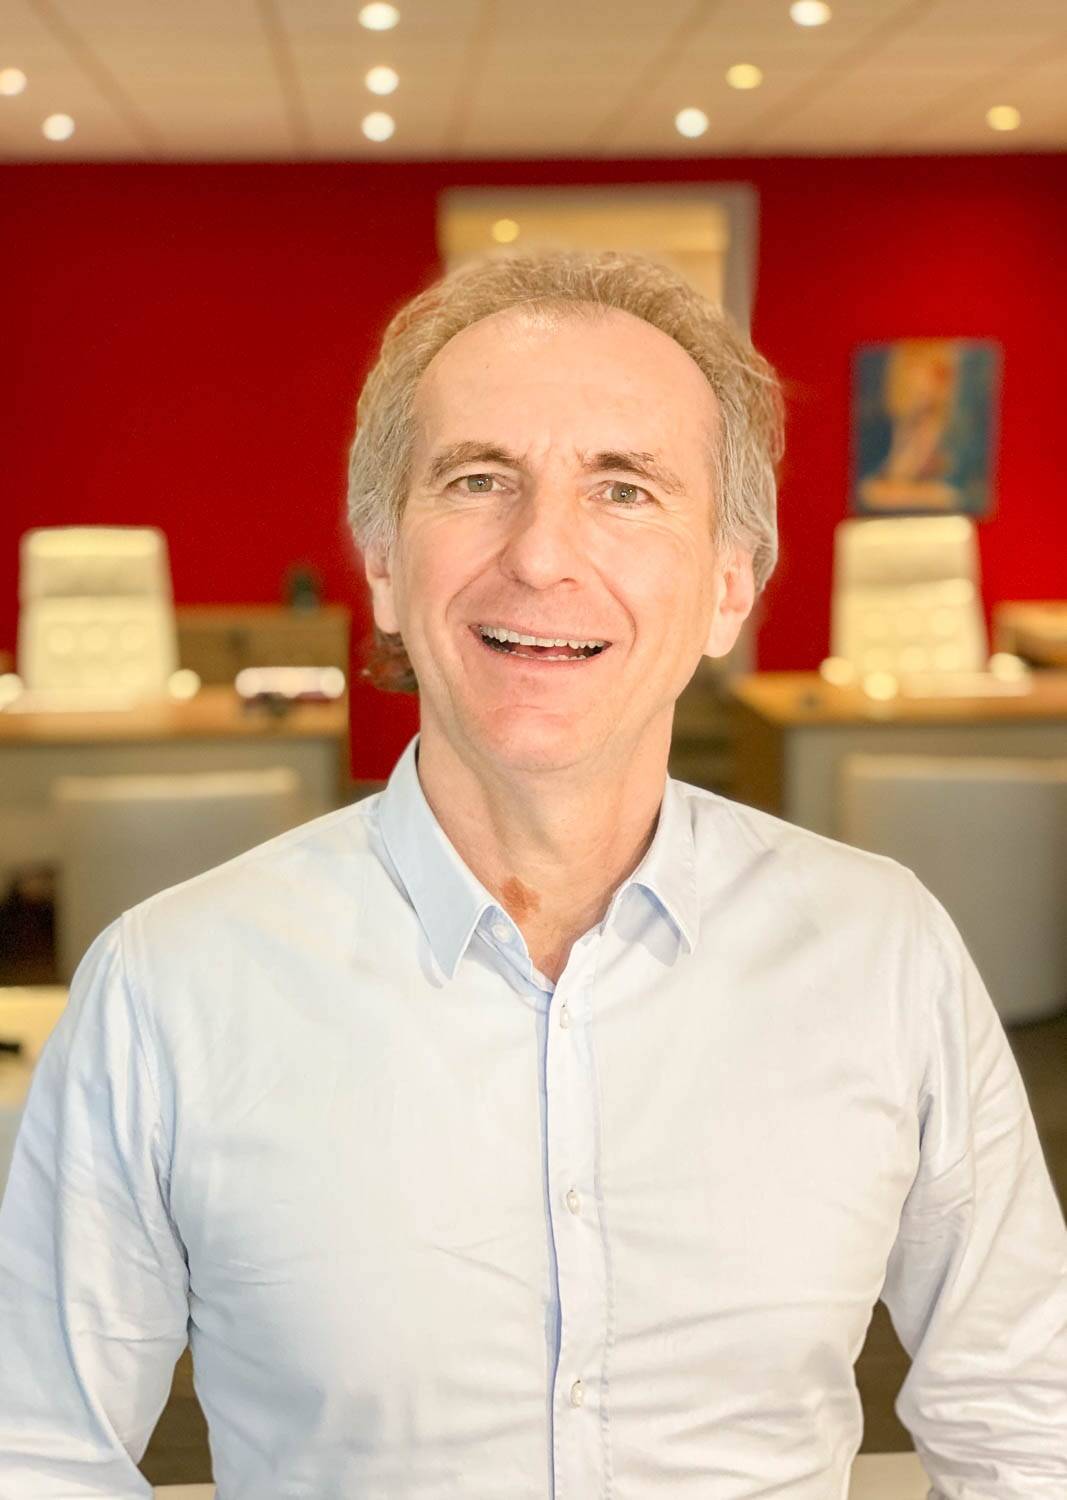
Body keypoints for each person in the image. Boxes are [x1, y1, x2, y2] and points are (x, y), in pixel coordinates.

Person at [1, 251, 1064, 1499]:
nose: (543, 554)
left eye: (624, 488)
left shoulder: (883, 953)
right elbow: (39, 1450)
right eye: (477, 480)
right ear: (383, 562)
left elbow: (1023, 1420)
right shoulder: (169, 988)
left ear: (729, 584)